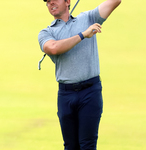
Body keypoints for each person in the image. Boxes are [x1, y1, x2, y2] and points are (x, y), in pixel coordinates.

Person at [38, 0, 121, 149]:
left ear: (68, 1)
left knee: (87, 145)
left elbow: (115, 1)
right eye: (47, 2)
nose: (51, 3)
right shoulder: (47, 32)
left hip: (90, 92)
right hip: (66, 94)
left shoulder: (88, 18)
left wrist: (85, 31)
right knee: (70, 146)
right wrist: (83, 35)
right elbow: (54, 48)